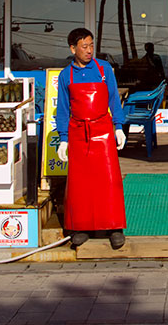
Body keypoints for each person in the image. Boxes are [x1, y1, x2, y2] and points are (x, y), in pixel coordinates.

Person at [55, 27, 128, 249]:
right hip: (78, 132)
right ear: (72, 48)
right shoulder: (65, 75)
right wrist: (63, 138)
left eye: (91, 45)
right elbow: (63, 109)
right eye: (84, 46)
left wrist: (118, 126)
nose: (89, 50)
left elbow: (114, 98)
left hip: (103, 130)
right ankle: (80, 227)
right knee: (80, 183)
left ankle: (114, 227)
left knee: (108, 180)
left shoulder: (104, 69)